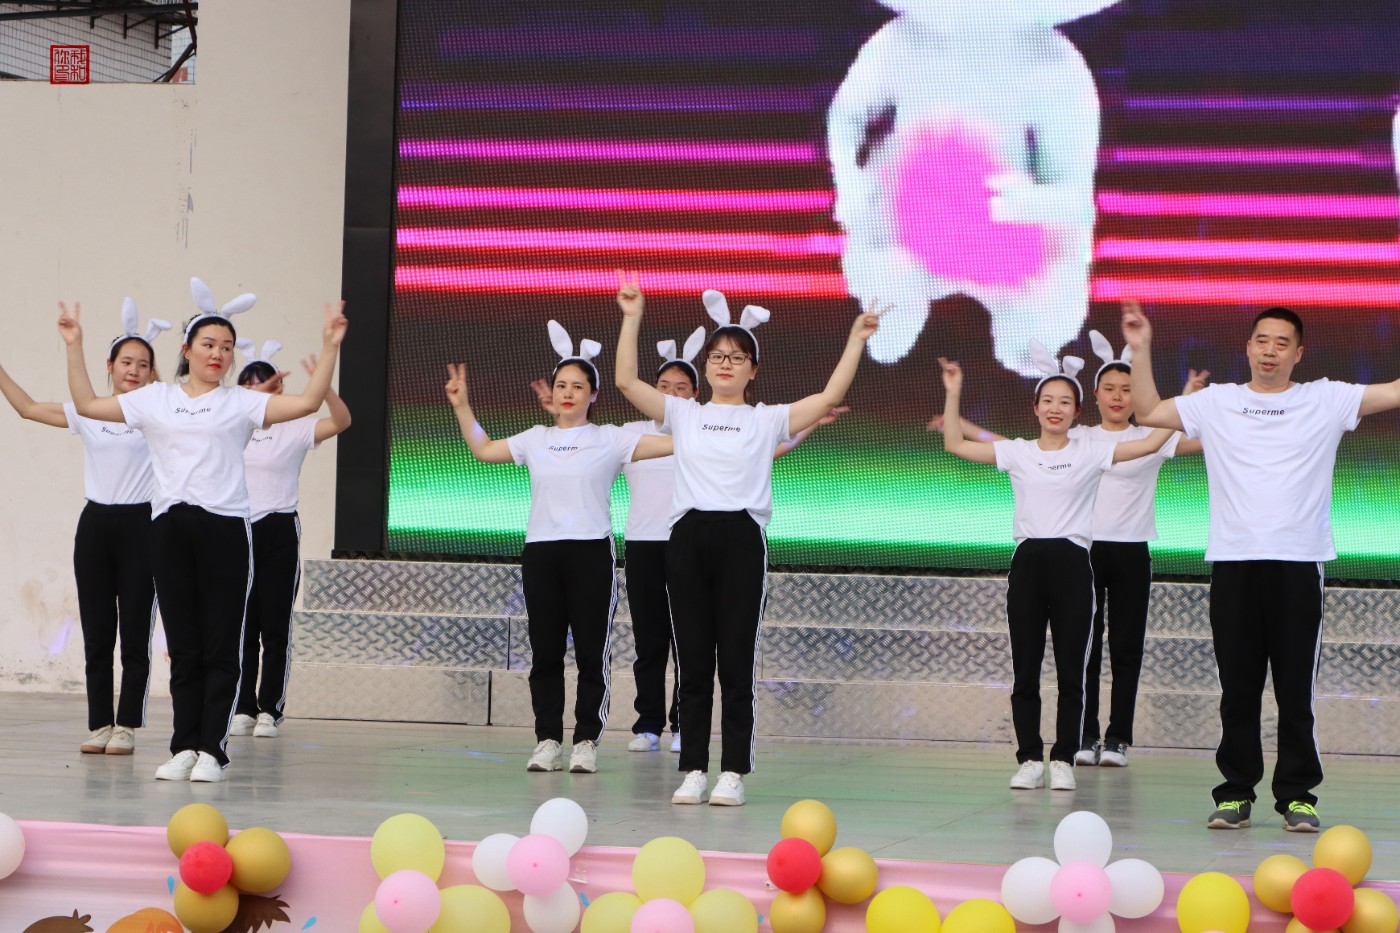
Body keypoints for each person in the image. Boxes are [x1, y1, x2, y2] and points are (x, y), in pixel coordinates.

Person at [1123, 301, 1400, 832]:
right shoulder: (1219, 402)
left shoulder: (1325, 398)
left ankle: (1298, 796)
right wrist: (1140, 347)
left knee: (1295, 691)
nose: (1270, 351)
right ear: (1248, 347)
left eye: (1281, 343)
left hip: (1299, 563)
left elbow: (1392, 391)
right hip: (1234, 562)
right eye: (1262, 341)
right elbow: (1149, 413)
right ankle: (1235, 793)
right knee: (1239, 689)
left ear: (1298, 354)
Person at [59, 281, 348, 783]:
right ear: (187, 349)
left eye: (227, 347)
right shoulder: (155, 399)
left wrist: (329, 347)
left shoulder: (240, 402)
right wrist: (74, 345)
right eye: (209, 344)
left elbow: (305, 405)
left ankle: (212, 749)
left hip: (225, 529)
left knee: (221, 645)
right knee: (184, 647)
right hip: (169, 528)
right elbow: (85, 404)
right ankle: (184, 747)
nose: (218, 353)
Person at [614, 271, 882, 807]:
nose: (726, 363)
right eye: (718, 356)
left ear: (753, 369)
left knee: (735, 661)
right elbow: (625, 382)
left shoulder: (766, 420)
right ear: (707, 364)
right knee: (693, 661)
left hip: (741, 538)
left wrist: (855, 339)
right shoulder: (684, 413)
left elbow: (830, 395)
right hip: (687, 538)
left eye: (737, 357)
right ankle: (694, 769)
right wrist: (633, 317)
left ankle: (733, 770)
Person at [551, 336, 841, 756]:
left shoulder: (712, 423)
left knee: (711, 652)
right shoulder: (649, 429)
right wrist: (562, 413)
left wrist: (813, 417)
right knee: (660, 645)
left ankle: (699, 739)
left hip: (711, 539)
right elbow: (606, 412)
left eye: (680, 387)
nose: (671, 392)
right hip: (656, 542)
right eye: (664, 387)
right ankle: (657, 732)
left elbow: (777, 438)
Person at [932, 325, 1206, 769]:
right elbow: (995, 447)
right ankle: (1075, 739)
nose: (1118, 396)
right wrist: (955, 408)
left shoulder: (1130, 442)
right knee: (1076, 654)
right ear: (1091, 398)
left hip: (1125, 550)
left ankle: (1110, 741)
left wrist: (1187, 400)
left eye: (1127, 389)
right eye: (1109, 389)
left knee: (1122, 650)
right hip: (1076, 553)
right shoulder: (1074, 442)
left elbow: (1176, 440)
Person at [446, 320, 672, 776]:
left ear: (593, 395)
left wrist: (721, 428)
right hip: (542, 554)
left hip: (591, 555)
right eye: (562, 385)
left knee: (591, 653)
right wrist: (463, 406)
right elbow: (484, 450)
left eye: (578, 386)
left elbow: (675, 445)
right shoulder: (535, 439)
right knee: (545, 653)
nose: (568, 393)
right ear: (552, 392)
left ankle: (586, 741)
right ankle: (547, 740)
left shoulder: (611, 438)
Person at [0, 300, 167, 755]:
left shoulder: (158, 414)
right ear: (110, 366)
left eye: (143, 364)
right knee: (97, 632)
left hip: (141, 526)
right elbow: (28, 409)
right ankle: (99, 725)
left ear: (152, 373)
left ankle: (126, 725)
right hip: (95, 526)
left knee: (135, 633)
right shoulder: (90, 413)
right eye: (126, 362)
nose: (134, 370)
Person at [230, 343, 352, 739]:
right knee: (242, 626)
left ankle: (270, 709)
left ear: (279, 390)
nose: (259, 391)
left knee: (275, 626)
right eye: (249, 385)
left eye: (266, 384)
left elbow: (342, 421)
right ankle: (243, 706)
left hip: (279, 528)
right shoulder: (233, 428)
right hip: (238, 530)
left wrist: (324, 386)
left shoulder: (296, 427)